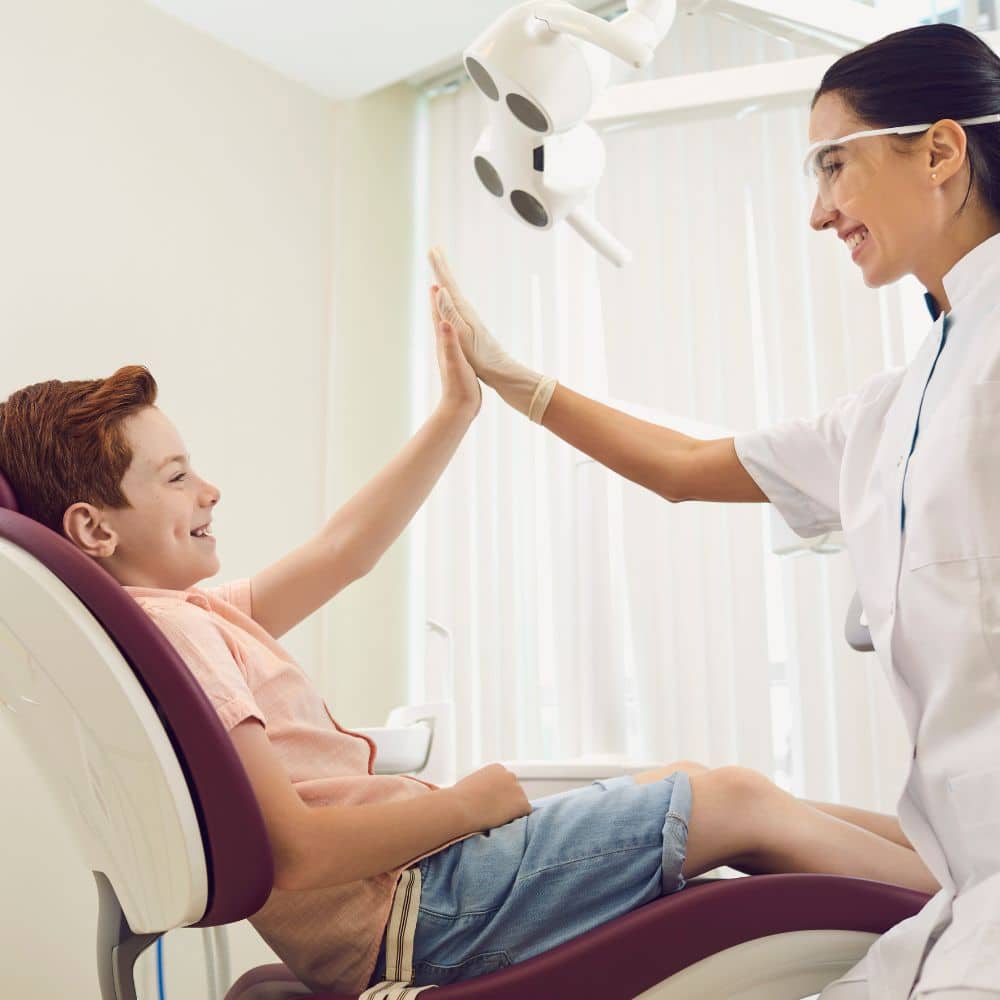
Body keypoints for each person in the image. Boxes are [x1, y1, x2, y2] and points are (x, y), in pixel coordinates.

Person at [0, 335, 935, 989]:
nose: (209, 489)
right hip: (420, 911)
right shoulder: (183, 634)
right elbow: (299, 849)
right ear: (92, 526)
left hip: (421, 898)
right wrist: (471, 803)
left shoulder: (186, 616)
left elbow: (344, 551)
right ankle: (969, 906)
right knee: (729, 801)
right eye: (174, 478)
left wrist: (455, 409)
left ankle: (963, 865)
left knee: (714, 791)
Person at [429, 20, 1000, 1000]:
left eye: (835, 166)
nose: (819, 212)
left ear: (940, 150)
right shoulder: (897, 403)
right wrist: (513, 379)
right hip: (964, 887)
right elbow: (689, 465)